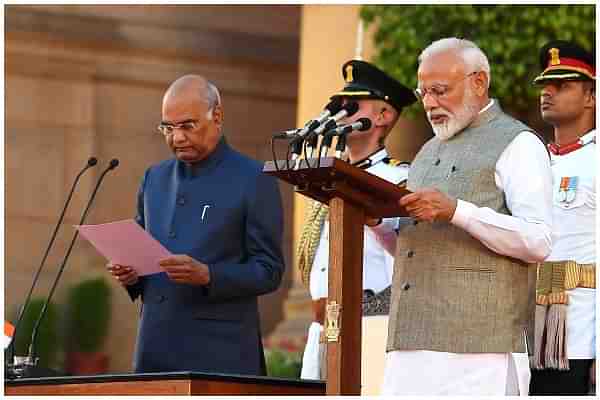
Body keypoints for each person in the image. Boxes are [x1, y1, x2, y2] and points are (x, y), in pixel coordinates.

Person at [380, 38, 553, 396]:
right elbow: (415, 249)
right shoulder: (427, 151)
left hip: (479, 348)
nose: (429, 103)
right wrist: (377, 225)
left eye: (440, 90)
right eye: (423, 92)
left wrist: (458, 211)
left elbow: (539, 240)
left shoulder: (517, 143)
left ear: (478, 82)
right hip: (410, 341)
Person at [107, 74, 285, 375]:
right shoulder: (155, 178)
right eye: (168, 127)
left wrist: (209, 275)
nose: (176, 138)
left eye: (188, 126)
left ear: (217, 116)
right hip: (155, 348)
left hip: (219, 354)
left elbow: (269, 271)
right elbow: (144, 256)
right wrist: (130, 273)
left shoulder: (254, 178)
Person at [296, 60, 416, 394]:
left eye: (354, 105)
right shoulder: (326, 178)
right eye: (340, 104)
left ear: (383, 116)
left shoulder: (399, 179)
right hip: (321, 326)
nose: (343, 111)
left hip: (372, 324)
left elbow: (407, 251)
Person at [529, 40, 596, 396]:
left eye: (563, 84)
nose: (548, 92)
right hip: (524, 334)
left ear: (592, 96)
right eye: (545, 85)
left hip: (579, 338)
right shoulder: (531, 162)